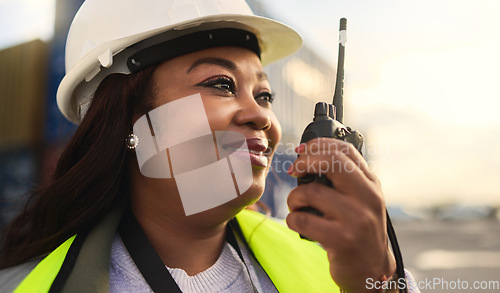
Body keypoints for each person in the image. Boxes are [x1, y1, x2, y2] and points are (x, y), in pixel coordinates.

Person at [0, 0, 420, 292]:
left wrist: (380, 283)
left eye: (264, 94)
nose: (262, 116)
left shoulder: (335, 262)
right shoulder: (25, 285)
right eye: (221, 84)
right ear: (127, 121)